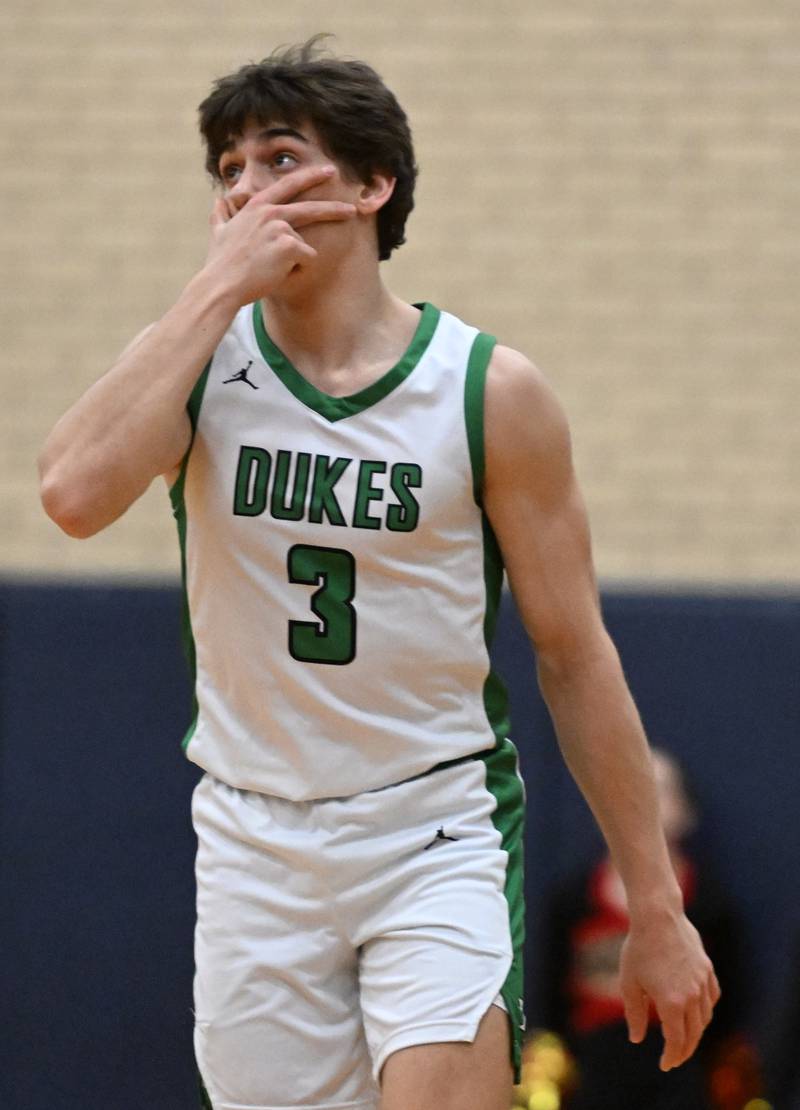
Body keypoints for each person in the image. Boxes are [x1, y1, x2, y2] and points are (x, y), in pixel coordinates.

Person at [38, 37, 720, 1110]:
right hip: (255, 836)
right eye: (227, 172)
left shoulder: (488, 390)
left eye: (278, 159)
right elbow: (71, 496)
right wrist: (211, 293)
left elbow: (574, 652)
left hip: (430, 826)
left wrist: (652, 899)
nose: (246, 191)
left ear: (370, 185)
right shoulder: (197, 362)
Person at [539, 749, 748, 1109]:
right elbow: (549, 1006)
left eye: (659, 789)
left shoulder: (711, 907)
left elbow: (728, 1016)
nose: (644, 800)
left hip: (679, 1078)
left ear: (685, 812)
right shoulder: (572, 901)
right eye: (630, 787)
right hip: (593, 1080)